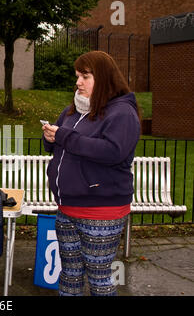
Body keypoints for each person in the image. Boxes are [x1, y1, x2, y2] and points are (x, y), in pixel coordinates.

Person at [42, 51, 141, 296]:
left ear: (104, 78)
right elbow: (60, 143)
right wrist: (51, 138)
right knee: (70, 275)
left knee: (99, 279)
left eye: (85, 76)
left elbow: (112, 151)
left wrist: (64, 136)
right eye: (78, 76)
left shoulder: (122, 112)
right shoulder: (72, 110)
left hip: (101, 210)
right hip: (67, 207)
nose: (78, 82)